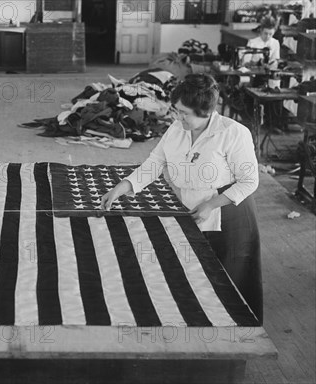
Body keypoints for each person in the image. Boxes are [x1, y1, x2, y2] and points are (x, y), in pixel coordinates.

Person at [101, 74, 263, 323]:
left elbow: (250, 181)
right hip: (191, 210)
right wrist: (122, 188)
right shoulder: (177, 128)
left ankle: (234, 332)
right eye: (177, 111)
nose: (179, 118)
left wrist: (211, 204)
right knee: (193, 275)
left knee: (229, 277)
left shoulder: (234, 133)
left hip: (228, 214)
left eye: (185, 113)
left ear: (206, 111)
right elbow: (155, 163)